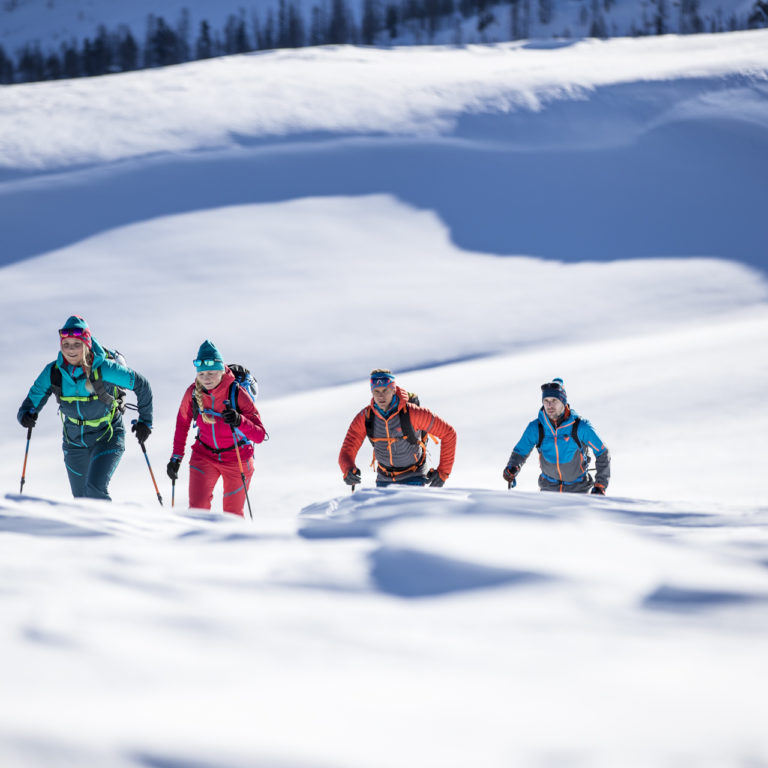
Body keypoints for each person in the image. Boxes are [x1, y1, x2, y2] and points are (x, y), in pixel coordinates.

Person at [17, 315, 153, 500]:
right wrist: (25, 415)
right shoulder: (53, 372)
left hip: (108, 436)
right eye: (66, 344)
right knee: (81, 501)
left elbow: (141, 384)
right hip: (74, 443)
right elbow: (33, 399)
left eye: (76, 344)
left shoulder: (104, 368)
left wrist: (145, 421)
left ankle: (107, 528)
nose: (71, 350)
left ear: (87, 345)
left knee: (95, 490)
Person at [167, 340, 267, 516]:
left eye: (211, 373)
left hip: (238, 458)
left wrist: (239, 420)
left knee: (232, 514)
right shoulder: (192, 393)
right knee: (197, 512)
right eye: (202, 373)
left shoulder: (236, 392)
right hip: (203, 455)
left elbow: (259, 435)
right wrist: (176, 457)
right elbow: (182, 424)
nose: (206, 378)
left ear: (222, 371)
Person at [339, 369, 457, 488]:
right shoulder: (366, 417)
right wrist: (347, 469)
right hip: (384, 480)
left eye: (385, 390)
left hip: (415, 477)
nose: (381, 396)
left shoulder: (413, 413)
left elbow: (448, 433)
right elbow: (348, 448)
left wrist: (443, 472)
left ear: (393, 389)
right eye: (376, 391)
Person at [503, 378, 610, 494]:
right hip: (548, 491)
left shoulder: (580, 427)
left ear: (563, 402)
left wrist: (600, 485)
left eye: (554, 400)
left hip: (579, 490)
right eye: (546, 401)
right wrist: (512, 468)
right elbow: (520, 452)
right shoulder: (536, 428)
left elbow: (602, 452)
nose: (549, 405)